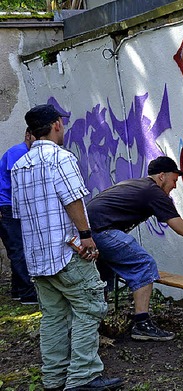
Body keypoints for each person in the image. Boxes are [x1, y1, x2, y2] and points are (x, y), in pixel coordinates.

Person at [12, 104, 123, 391]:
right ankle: (83, 377)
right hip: (66, 252)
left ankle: (54, 378)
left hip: (37, 257)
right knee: (90, 307)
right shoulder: (60, 158)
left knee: (53, 317)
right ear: (56, 125)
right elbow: (73, 199)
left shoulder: (20, 166)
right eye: (61, 120)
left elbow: (19, 213)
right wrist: (86, 235)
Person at [86, 156, 183, 342]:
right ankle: (142, 324)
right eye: (174, 180)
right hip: (102, 231)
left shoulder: (138, 185)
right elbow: (182, 229)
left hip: (86, 232)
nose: (175, 186)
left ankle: (93, 326)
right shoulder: (155, 193)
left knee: (101, 277)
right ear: (162, 176)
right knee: (144, 265)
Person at [0, 128, 37, 304]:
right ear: (27, 135)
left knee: (17, 249)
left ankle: (18, 290)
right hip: (8, 205)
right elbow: (18, 184)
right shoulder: (19, 152)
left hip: (11, 205)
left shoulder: (25, 152)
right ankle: (28, 294)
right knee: (19, 249)